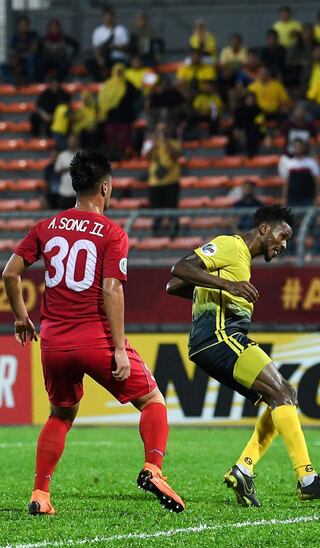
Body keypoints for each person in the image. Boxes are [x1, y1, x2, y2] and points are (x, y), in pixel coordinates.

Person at [2, 149, 184, 515]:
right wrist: (118, 348)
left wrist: (22, 318)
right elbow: (111, 289)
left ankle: (40, 494)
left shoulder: (46, 227)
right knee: (152, 401)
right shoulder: (113, 233)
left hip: (53, 342)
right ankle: (153, 468)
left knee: (60, 416)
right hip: (95, 338)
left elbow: (9, 273)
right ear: (105, 187)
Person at [164, 205, 320, 506]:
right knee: (283, 392)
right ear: (264, 228)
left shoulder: (239, 260)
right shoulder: (230, 245)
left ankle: (243, 469)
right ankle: (307, 480)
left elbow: (175, 288)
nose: (284, 245)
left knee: (281, 397)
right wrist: (228, 285)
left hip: (213, 343)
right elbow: (179, 269)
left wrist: (216, 290)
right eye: (282, 235)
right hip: (220, 338)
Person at [144, 122, 182, 236]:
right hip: (155, 182)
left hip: (171, 181)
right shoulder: (152, 144)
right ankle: (156, 232)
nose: (161, 133)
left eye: (163, 130)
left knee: (172, 209)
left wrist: (166, 142)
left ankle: (174, 232)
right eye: (159, 130)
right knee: (155, 210)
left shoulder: (174, 143)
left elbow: (176, 155)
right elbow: (147, 157)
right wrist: (155, 144)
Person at [99, 63, 141, 160]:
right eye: (117, 71)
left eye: (121, 71)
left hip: (125, 115)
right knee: (110, 135)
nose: (119, 73)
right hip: (110, 115)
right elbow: (102, 99)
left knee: (125, 136)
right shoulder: (107, 85)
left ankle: (126, 155)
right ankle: (112, 154)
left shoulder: (128, 84)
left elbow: (136, 95)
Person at [86, 6, 130, 81]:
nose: (108, 19)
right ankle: (99, 82)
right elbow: (96, 48)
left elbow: (127, 47)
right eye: (106, 17)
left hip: (117, 58)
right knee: (89, 63)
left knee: (116, 66)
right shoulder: (98, 31)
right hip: (104, 57)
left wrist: (114, 47)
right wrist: (99, 59)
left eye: (110, 17)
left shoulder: (121, 30)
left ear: (114, 17)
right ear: (103, 18)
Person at [278, 139, 320, 207]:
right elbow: (286, 183)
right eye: (295, 147)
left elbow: (317, 181)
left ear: (304, 148)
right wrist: (284, 198)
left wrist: (317, 198)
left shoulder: (311, 162)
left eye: (299, 146)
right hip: (292, 198)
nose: (298, 148)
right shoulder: (288, 164)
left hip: (307, 198)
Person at [1, 15, 39, 84]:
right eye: (22, 25)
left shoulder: (33, 35)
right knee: (2, 66)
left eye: (25, 25)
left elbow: (33, 50)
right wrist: (15, 60)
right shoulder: (15, 37)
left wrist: (21, 55)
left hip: (30, 62)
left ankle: (31, 82)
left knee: (30, 57)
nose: (23, 27)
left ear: (28, 26)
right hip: (18, 61)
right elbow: (12, 53)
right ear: (18, 26)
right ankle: (13, 81)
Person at [226, 92, 264, 158]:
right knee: (230, 133)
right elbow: (236, 122)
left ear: (255, 100)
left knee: (253, 132)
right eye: (248, 99)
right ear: (245, 100)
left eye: (252, 99)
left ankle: (251, 155)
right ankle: (230, 156)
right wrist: (236, 130)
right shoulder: (238, 109)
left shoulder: (258, 110)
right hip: (240, 129)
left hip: (252, 129)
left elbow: (259, 123)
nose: (250, 101)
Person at [53, 136, 79, 209]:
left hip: (79, 193)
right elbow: (57, 171)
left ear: (78, 142)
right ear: (67, 142)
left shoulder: (82, 154)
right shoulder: (62, 155)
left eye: (74, 141)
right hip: (64, 192)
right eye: (71, 141)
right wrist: (70, 168)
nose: (72, 143)